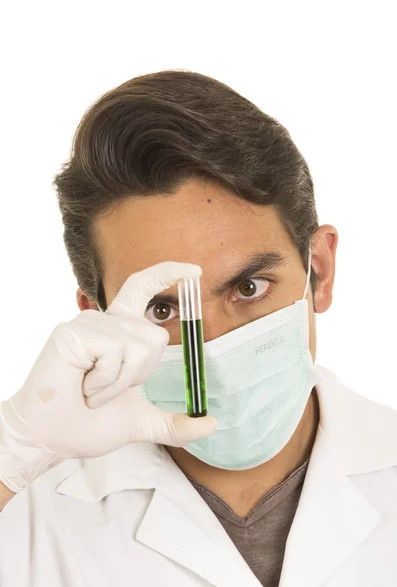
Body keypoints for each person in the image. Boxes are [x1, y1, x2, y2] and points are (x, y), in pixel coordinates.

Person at [1, 70, 396, 587]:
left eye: (249, 288)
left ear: (318, 270)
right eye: (161, 310)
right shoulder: (27, 511)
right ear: (96, 321)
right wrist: (11, 454)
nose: (211, 351)